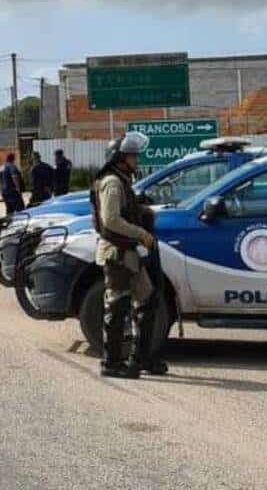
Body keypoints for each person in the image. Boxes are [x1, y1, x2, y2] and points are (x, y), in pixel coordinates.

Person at [91, 132, 167, 379]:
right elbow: (111, 219)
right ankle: (111, 363)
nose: (137, 160)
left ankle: (141, 358)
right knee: (117, 305)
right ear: (120, 159)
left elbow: (126, 211)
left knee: (147, 300)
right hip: (117, 254)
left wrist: (144, 211)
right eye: (133, 156)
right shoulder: (112, 183)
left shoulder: (121, 181)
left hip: (128, 254)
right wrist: (141, 233)